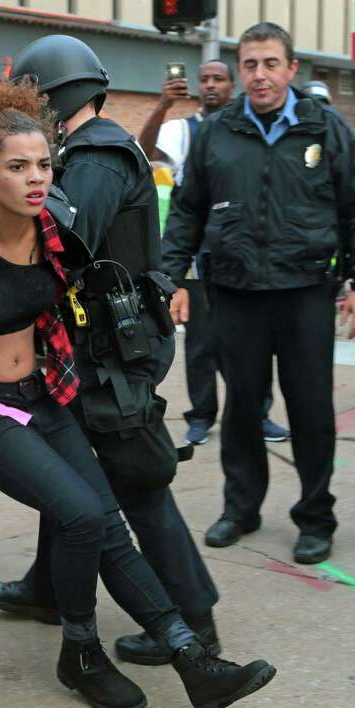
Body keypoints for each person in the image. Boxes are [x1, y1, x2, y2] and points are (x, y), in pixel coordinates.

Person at [0, 74, 275, 708]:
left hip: (42, 393)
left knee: (105, 519)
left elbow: (119, 261)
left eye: (45, 165)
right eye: (18, 166)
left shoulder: (59, 228)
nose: (36, 178)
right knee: (81, 516)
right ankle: (80, 652)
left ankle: (195, 662)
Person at [0, 35, 228, 667]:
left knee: (138, 484)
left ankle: (194, 620)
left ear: (47, 97)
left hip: (111, 351)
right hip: (95, 342)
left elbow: (58, 243)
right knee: (66, 469)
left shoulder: (93, 159)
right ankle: (47, 588)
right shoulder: (89, 150)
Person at [161, 22, 355, 564]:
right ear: (242, 72)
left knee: (311, 410)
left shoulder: (324, 129)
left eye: (270, 64)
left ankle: (315, 517)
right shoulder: (216, 132)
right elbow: (187, 209)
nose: (260, 75)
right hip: (234, 292)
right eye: (251, 65)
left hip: (306, 291)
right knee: (241, 407)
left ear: (291, 69)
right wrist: (171, 279)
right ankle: (241, 509)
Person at [137, 59, 291, 447]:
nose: (209, 85)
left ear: (232, 84)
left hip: (246, 254)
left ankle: (258, 414)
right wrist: (161, 106)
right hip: (198, 256)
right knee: (202, 343)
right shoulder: (181, 130)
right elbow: (144, 152)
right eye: (203, 79)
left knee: (256, 340)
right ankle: (202, 416)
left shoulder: (252, 127)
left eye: (218, 79)